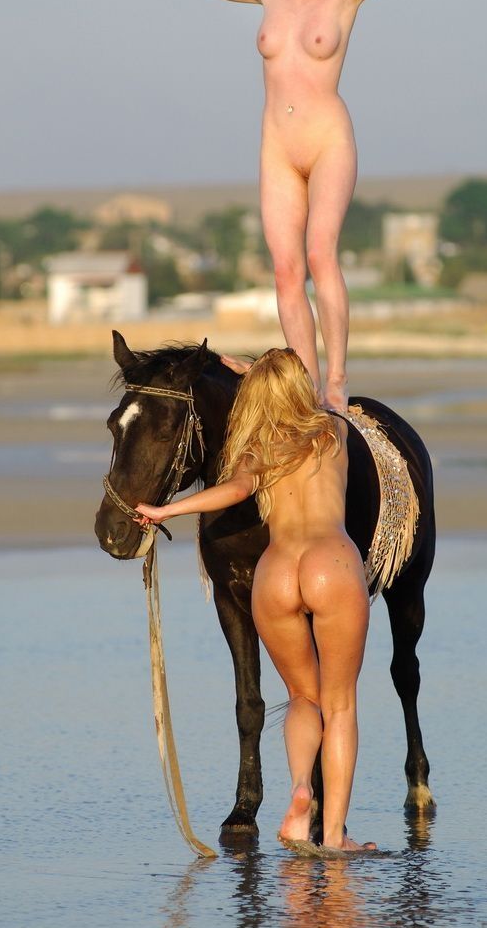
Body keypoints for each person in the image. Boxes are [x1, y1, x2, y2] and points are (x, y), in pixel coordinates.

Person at [134, 349, 374, 852]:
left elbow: (231, 491)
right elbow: (323, 389)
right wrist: (259, 367)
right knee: (341, 704)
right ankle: (333, 837)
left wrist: (164, 510)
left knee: (303, 698)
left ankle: (300, 793)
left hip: (277, 571)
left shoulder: (257, 448)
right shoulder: (333, 429)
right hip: (330, 563)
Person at [191, 0, 413, 411]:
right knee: (286, 271)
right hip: (277, 146)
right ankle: (306, 382)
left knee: (320, 255)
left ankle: (336, 377)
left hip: (327, 139)